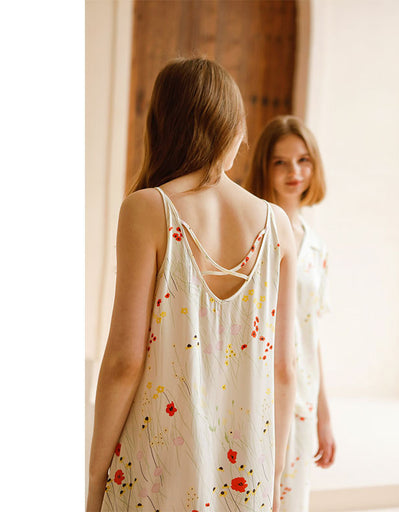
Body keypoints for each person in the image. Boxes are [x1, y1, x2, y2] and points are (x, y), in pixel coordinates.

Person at [86, 58, 297, 512]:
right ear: (232, 127)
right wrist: (275, 475)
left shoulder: (148, 209)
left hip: (155, 469)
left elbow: (124, 361)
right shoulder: (278, 225)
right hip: (246, 475)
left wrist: (95, 476)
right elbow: (284, 369)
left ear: (163, 125)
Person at [244, 115, 336, 511]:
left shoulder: (316, 247)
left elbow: (311, 335)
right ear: (264, 167)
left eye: (302, 160)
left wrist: (324, 416)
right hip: (255, 391)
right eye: (280, 162)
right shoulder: (252, 233)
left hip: (302, 400)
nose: (293, 172)